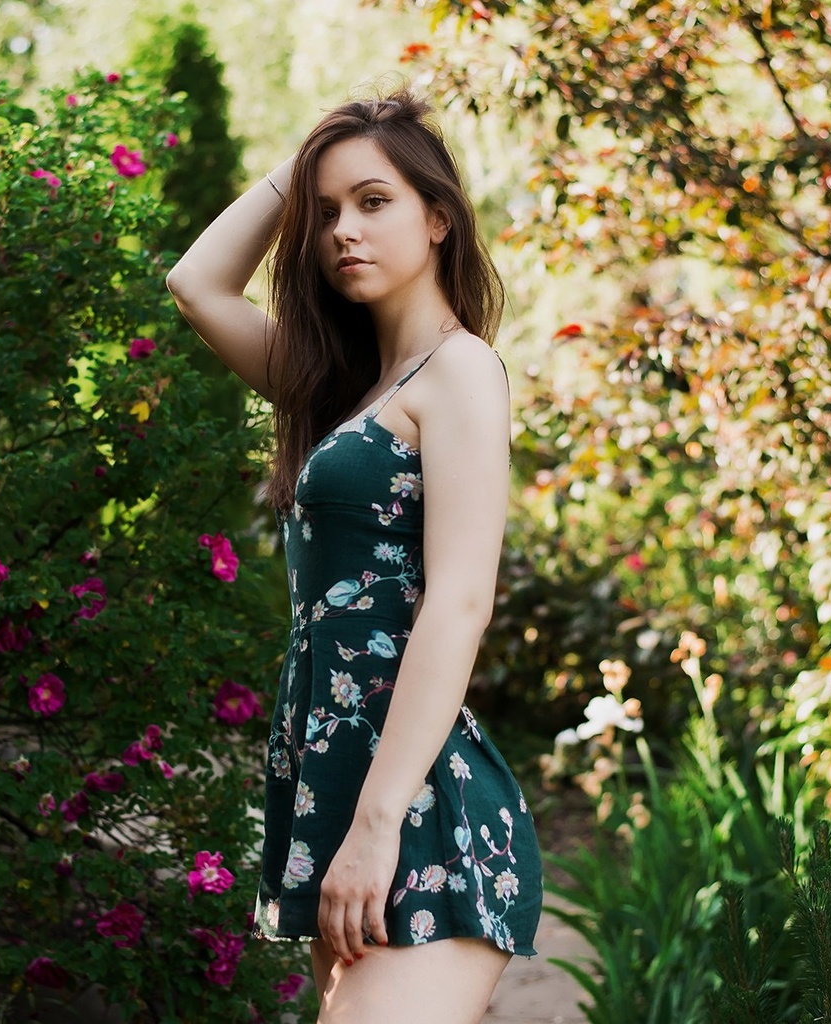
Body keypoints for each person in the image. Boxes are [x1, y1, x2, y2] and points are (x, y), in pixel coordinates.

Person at [166, 87, 541, 1024]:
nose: (342, 230)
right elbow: (197, 283)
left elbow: (459, 602)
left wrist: (376, 831)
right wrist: (307, 161)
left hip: (418, 808)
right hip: (352, 792)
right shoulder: (344, 393)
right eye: (325, 212)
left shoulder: (460, 369)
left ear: (440, 217)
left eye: (374, 201)